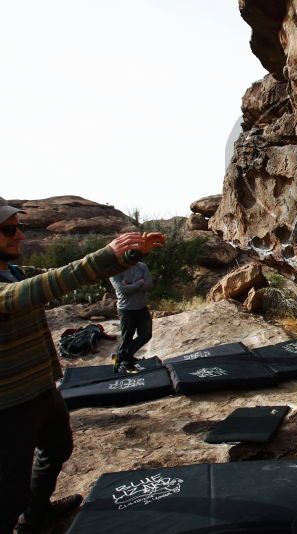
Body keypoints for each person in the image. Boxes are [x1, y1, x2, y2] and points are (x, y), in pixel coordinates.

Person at [0, 197, 165, 533]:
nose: (19, 236)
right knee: (8, 494)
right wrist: (103, 256)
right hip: (9, 404)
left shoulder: (11, 271)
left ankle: (37, 514)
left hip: (42, 389)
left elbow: (58, 278)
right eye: (8, 230)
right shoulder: (12, 284)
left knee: (58, 447)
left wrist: (127, 256)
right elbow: (33, 291)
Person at [109, 261, 154, 373]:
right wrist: (139, 283)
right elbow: (123, 290)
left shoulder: (141, 266)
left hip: (142, 307)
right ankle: (126, 362)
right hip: (126, 310)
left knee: (146, 335)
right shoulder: (114, 270)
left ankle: (120, 356)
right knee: (127, 338)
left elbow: (149, 285)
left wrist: (130, 285)